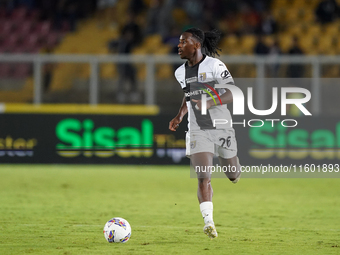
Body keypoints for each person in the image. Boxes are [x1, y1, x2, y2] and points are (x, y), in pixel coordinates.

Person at [168, 27, 241, 239]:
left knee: (232, 174)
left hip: (221, 126)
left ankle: (235, 172)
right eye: (179, 42)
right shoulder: (180, 72)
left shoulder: (215, 65)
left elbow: (232, 92)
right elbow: (188, 96)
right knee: (203, 176)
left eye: (184, 42)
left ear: (197, 45)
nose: (179, 46)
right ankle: (208, 221)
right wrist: (180, 115)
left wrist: (209, 102)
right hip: (197, 129)